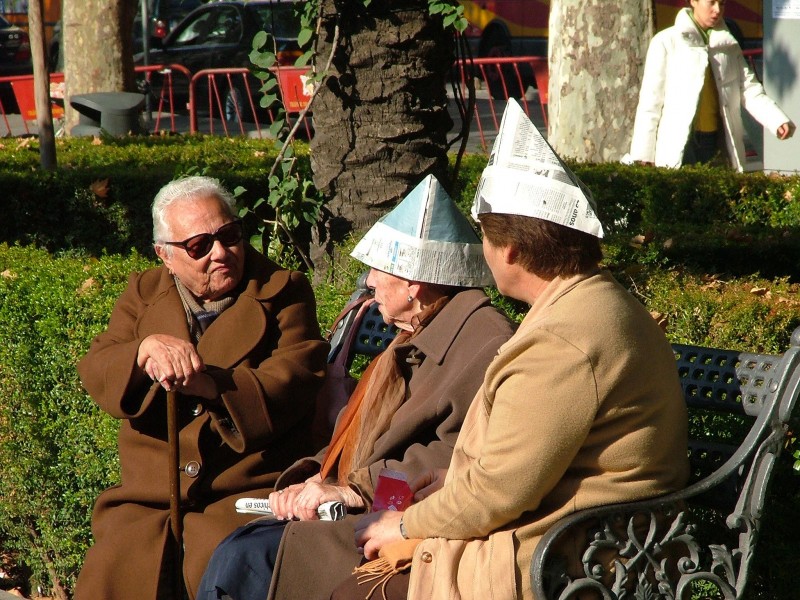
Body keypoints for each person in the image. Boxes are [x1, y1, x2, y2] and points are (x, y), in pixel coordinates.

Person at [332, 99, 690, 600]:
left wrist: (408, 525)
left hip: (572, 558)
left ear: (512, 251)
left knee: (335, 577)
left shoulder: (562, 341)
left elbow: (499, 492)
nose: (482, 250)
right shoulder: (592, 301)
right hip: (587, 536)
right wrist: (448, 480)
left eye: (483, 236)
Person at [198, 174, 515, 600]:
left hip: (403, 525)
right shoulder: (416, 336)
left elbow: (452, 461)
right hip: (371, 510)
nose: (368, 282)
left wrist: (353, 490)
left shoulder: (484, 343)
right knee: (239, 551)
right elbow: (357, 439)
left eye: (378, 269)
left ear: (412, 282)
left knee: (249, 559)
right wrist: (314, 477)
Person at [74, 176, 328, 600]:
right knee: (116, 564)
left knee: (221, 561)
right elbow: (96, 366)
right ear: (165, 255)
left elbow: (297, 378)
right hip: (150, 494)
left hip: (241, 488)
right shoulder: (144, 292)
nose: (221, 253)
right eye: (199, 246)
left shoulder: (284, 290)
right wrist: (143, 350)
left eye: (229, 236)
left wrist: (212, 385)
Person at [626, 0, 795, 171]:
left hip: (718, 138)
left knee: (719, 195)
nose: (717, 10)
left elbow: (748, 88)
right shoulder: (665, 42)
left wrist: (776, 120)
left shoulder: (728, 45)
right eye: (711, 3)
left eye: (721, 4)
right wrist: (643, 154)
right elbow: (650, 101)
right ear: (693, 2)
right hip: (679, 143)